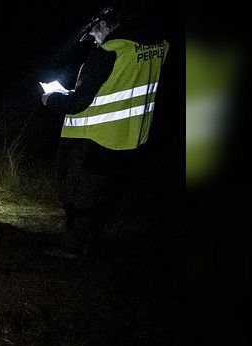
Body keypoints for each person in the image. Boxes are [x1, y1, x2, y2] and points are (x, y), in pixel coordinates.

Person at [41, 6, 168, 258]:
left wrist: (50, 99)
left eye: (95, 35)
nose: (95, 41)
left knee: (78, 194)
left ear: (103, 26)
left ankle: (72, 247)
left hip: (95, 137)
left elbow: (78, 103)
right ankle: (88, 242)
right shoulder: (155, 48)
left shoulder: (106, 54)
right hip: (131, 136)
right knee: (101, 193)